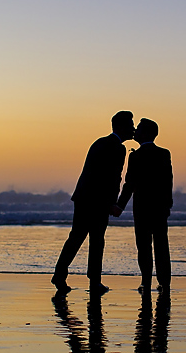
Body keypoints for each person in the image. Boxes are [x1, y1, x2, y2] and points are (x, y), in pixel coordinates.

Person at [52, 111, 134, 295]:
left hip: (83, 198)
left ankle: (60, 274)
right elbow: (113, 179)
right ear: (121, 127)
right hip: (98, 201)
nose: (133, 129)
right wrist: (113, 204)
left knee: (76, 238)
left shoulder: (99, 142)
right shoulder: (118, 149)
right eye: (130, 125)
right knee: (96, 241)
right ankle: (94, 281)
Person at [113, 118, 173, 294]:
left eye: (138, 129)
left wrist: (119, 206)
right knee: (161, 245)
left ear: (145, 133)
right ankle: (164, 283)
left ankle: (146, 282)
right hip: (160, 208)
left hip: (142, 209)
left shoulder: (136, 156)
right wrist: (168, 204)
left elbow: (129, 184)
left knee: (144, 246)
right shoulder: (164, 154)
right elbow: (168, 181)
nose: (135, 132)